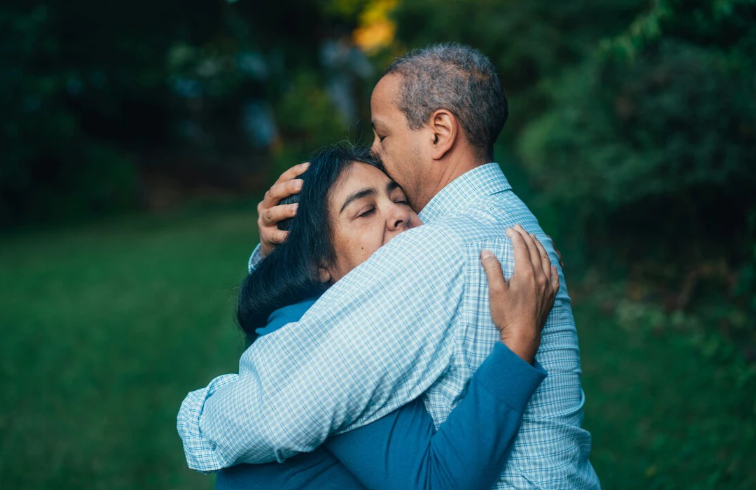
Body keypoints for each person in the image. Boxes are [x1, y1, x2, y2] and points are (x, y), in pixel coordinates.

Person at [179, 43, 600, 489]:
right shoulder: (511, 223)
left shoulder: (437, 248)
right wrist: (281, 252)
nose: (376, 152)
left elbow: (274, 412)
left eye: (383, 134)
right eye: (365, 209)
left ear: (439, 132)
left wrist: (199, 415)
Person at [213, 145, 557, 490]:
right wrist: (518, 340)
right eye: (365, 211)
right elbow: (435, 483)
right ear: (318, 263)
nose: (398, 214)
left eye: (401, 199)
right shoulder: (333, 342)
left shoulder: (338, 311)